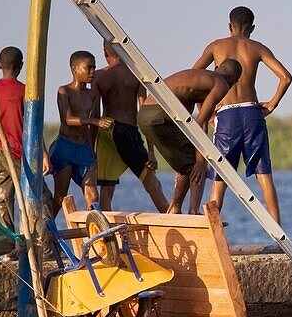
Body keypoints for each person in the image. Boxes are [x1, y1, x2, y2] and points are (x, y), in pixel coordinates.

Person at [193, 7, 292, 224]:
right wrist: (272, 104)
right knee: (264, 175)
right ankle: (279, 234)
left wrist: (205, 111)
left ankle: (212, 231)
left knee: (219, 178)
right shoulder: (256, 48)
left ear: (230, 26)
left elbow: (195, 78)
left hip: (226, 116)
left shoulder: (216, 46)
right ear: (252, 28)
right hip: (252, 112)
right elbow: (285, 77)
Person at [138, 61, 242, 213]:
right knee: (195, 165)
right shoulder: (222, 84)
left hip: (145, 116)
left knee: (187, 164)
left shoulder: (197, 79)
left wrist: (152, 152)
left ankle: (177, 207)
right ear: (234, 82)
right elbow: (200, 122)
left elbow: (196, 125)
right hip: (159, 116)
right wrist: (200, 162)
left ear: (216, 68)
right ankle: (189, 210)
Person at [92, 41, 170, 212]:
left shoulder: (98, 76)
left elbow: (95, 116)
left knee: (107, 187)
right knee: (151, 182)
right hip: (126, 131)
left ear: (105, 53)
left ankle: (107, 234)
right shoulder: (135, 74)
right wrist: (151, 151)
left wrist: (92, 149)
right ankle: (172, 219)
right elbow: (144, 115)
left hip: (106, 130)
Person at [47, 50, 100, 216]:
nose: (92, 72)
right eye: (88, 68)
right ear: (75, 69)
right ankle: (47, 232)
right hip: (65, 147)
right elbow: (68, 119)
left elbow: (94, 128)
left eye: (94, 68)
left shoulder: (92, 95)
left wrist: (93, 151)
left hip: (84, 149)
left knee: (93, 196)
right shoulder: (64, 91)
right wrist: (94, 121)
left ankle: (93, 237)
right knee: (60, 197)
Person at [0, 46, 25, 231]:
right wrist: (43, 154)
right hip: (17, 152)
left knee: (3, 200)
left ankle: (9, 246)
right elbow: (32, 125)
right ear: (21, 66)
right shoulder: (26, 90)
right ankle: (41, 245)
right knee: (38, 197)